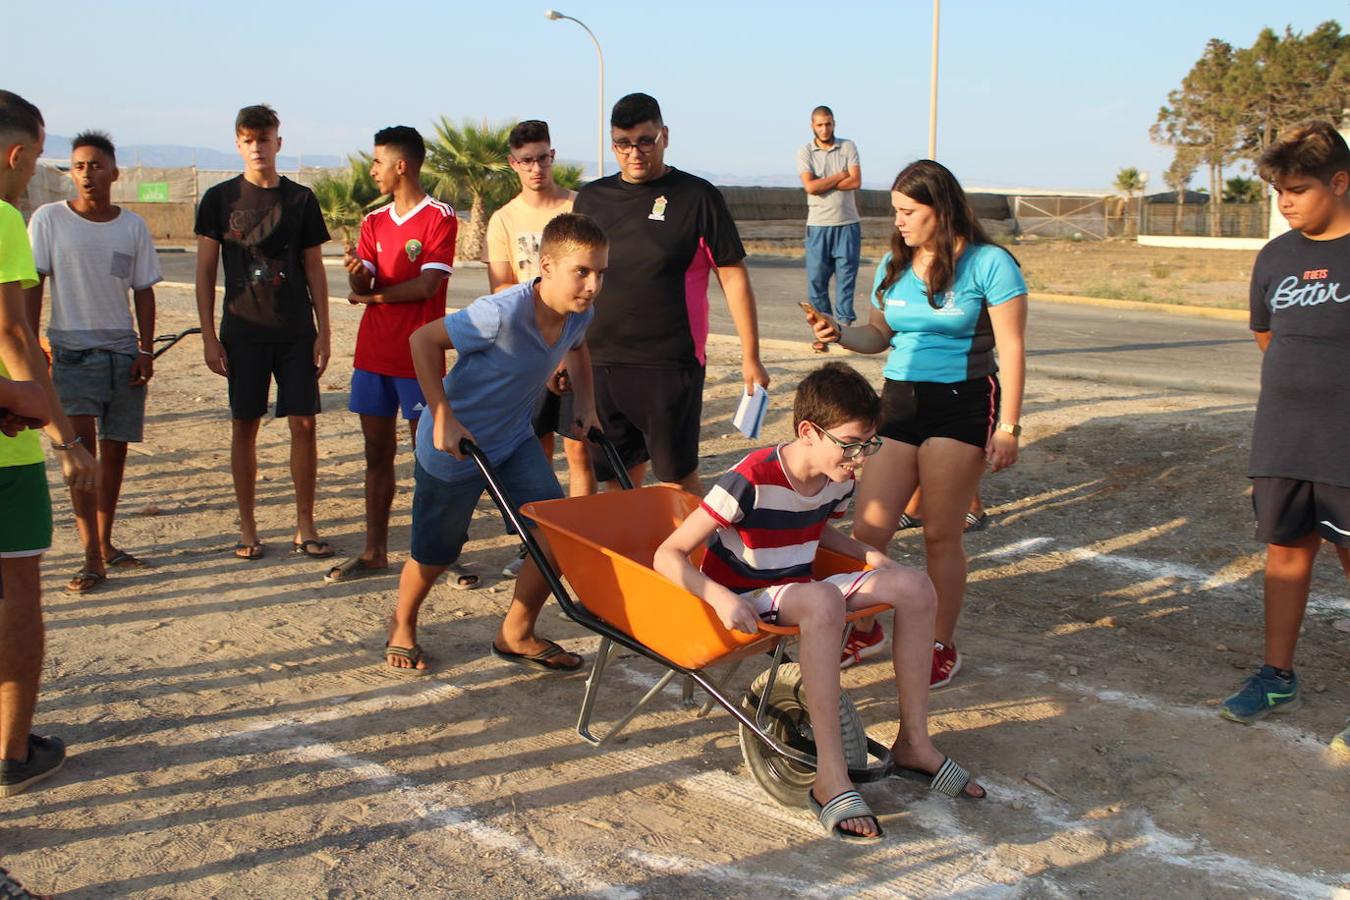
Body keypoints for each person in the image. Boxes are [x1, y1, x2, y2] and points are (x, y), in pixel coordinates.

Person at [655, 362, 984, 843]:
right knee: (824, 600)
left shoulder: (839, 474)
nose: (861, 459)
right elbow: (670, 554)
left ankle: (914, 743)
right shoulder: (750, 477)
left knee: (914, 585)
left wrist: (868, 553)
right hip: (747, 596)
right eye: (852, 445)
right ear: (808, 432)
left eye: (869, 444)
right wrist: (721, 598)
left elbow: (815, 524)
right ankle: (831, 776)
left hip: (802, 589)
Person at [808, 159, 1027, 689]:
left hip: (963, 401)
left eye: (909, 211)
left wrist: (1010, 427)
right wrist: (840, 332)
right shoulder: (893, 263)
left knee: (940, 536)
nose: (899, 222)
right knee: (868, 530)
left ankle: (938, 642)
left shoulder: (991, 264)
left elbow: (1015, 348)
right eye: (896, 212)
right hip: (899, 402)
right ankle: (865, 628)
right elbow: (878, 335)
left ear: (941, 208)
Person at [383, 213, 605, 673]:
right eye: (581, 271)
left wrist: (587, 403)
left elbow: (578, 348)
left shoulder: (577, 313)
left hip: (512, 439)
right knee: (437, 552)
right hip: (452, 445)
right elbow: (423, 340)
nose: (593, 284)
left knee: (555, 534)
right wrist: (442, 416)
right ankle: (403, 622)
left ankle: (516, 633)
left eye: (600, 272)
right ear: (546, 265)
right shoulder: (500, 313)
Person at [1220, 120, 1350, 754]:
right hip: (1283, 437)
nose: (1285, 202)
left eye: (1298, 188)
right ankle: (1277, 677)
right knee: (1286, 554)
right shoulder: (1276, 256)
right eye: (1278, 191)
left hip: (1346, 442)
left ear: (1341, 182)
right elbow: (1268, 338)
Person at [574, 92, 769, 494]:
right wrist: (560, 351)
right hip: (600, 363)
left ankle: (694, 555)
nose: (635, 153)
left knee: (677, 483)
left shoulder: (698, 197)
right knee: (616, 479)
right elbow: (571, 279)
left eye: (646, 140)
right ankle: (634, 555)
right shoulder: (591, 198)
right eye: (623, 144)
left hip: (669, 365)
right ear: (613, 144)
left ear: (664, 135)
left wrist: (751, 356)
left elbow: (732, 277)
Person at [0, 89, 94, 798]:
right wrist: (65, 439)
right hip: (5, 455)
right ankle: (13, 749)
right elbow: (13, 335)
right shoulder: (3, 218)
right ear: (15, 152)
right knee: (15, 594)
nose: (30, 173)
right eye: (33, 158)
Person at [326, 126, 467, 586]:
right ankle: (374, 551)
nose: (372, 171)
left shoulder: (440, 217)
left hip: (417, 359)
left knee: (429, 458)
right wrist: (356, 277)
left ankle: (436, 555)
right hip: (372, 356)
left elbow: (428, 285)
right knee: (376, 455)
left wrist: (373, 298)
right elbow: (361, 285)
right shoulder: (373, 223)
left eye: (377, 162)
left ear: (401, 165)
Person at [194, 104, 334, 562]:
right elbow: (204, 273)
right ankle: (248, 528)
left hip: (295, 330)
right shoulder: (219, 199)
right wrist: (209, 338)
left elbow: (314, 269)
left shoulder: (300, 199)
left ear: (279, 142)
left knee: (305, 424)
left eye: (265, 138)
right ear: (238, 143)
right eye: (249, 139)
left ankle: (305, 525)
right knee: (244, 425)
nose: (258, 147)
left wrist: (324, 332)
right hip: (242, 331)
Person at [25, 130, 162, 593]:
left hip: (123, 354)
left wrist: (145, 349)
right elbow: (33, 283)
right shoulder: (49, 220)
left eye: (96, 165)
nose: (87, 173)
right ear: (71, 173)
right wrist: (30, 347)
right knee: (82, 456)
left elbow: (144, 290)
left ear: (114, 173)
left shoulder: (133, 227)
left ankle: (105, 543)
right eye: (79, 166)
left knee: (116, 451)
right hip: (71, 353)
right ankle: (88, 556)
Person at [487, 120, 588, 579]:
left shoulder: (577, 206)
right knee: (534, 450)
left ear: (553, 156)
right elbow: (501, 287)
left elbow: (590, 278)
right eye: (526, 160)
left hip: (576, 340)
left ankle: (582, 543)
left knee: (579, 449)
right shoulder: (503, 219)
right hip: (526, 352)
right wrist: (544, 355)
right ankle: (536, 546)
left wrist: (567, 351)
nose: (536, 168)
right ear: (513, 164)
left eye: (543, 157)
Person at [797, 105, 861, 349]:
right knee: (816, 282)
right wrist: (839, 175)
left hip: (847, 223)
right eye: (820, 124)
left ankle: (844, 331)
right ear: (812, 126)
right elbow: (810, 187)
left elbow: (856, 180)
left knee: (846, 281)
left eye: (828, 124)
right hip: (818, 225)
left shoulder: (848, 147)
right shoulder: (805, 152)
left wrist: (823, 183)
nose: (825, 128)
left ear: (834, 123)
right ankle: (823, 331)